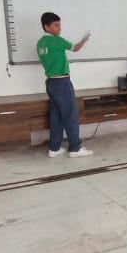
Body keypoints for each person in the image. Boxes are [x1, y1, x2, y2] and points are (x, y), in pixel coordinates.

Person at [37, 12, 93, 158]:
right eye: (56, 25)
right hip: (62, 82)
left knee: (56, 116)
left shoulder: (41, 43)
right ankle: (75, 148)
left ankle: (54, 148)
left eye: (60, 25)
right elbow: (76, 48)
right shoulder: (57, 41)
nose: (59, 28)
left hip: (51, 82)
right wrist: (84, 40)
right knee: (70, 114)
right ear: (46, 27)